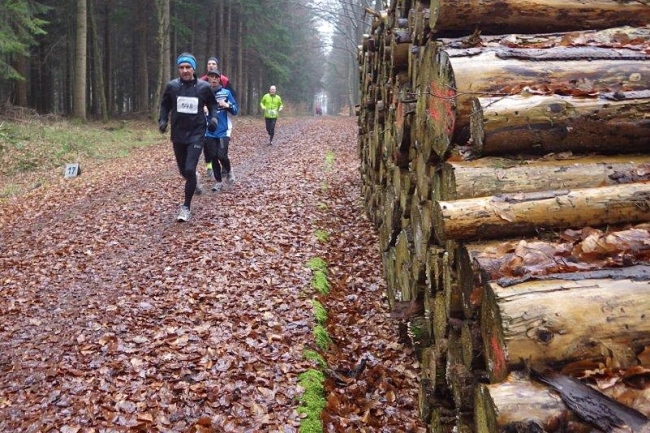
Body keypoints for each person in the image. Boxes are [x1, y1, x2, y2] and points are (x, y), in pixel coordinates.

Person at [159, 52, 219, 222]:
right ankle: (194, 180)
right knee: (184, 171)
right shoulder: (172, 86)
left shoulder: (203, 87)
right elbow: (165, 106)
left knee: (190, 169)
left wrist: (213, 119)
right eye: (181, 67)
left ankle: (186, 207)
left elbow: (213, 105)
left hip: (197, 134)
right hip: (178, 135)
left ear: (193, 69)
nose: (185, 70)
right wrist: (163, 120)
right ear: (178, 69)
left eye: (188, 67)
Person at [200, 56, 238, 178]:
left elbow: (234, 104)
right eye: (209, 63)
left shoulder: (225, 83)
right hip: (207, 125)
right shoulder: (201, 83)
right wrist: (202, 108)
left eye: (213, 64)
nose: (214, 79)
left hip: (223, 124)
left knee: (221, 153)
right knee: (210, 152)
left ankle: (227, 169)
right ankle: (213, 172)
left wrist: (227, 105)